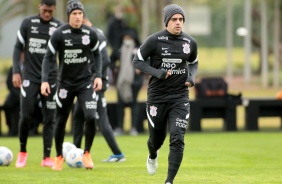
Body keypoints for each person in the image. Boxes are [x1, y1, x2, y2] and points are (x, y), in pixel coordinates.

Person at [132, 4, 198, 184]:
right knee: (156, 140)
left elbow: (193, 62)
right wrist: (157, 72)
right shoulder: (154, 40)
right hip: (157, 97)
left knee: (177, 137)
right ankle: (152, 154)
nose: (178, 23)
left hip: (180, 97)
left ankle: (169, 181)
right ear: (167, 21)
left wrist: (191, 78)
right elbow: (137, 61)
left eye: (181, 19)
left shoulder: (190, 42)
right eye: (174, 19)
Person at [41, 0, 102, 171]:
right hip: (65, 85)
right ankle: (59, 156)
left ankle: (87, 154)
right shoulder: (59, 34)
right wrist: (45, 80)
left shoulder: (90, 33)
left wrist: (98, 76)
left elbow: (97, 54)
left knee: (91, 117)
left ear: (83, 16)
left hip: (85, 83)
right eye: (74, 14)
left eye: (80, 14)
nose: (77, 17)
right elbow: (48, 57)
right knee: (60, 120)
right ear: (69, 16)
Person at [12, 0, 63, 168]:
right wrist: (15, 71)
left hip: (50, 78)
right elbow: (18, 47)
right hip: (30, 77)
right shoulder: (28, 23)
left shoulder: (59, 26)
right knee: (25, 115)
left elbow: (63, 54)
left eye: (50, 10)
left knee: (50, 118)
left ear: (54, 9)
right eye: (44, 10)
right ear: (39, 7)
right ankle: (22, 152)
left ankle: (47, 157)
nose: (47, 14)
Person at [72, 17, 126, 162]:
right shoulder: (94, 32)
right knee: (77, 115)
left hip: (95, 85)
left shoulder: (96, 34)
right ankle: (75, 152)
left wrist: (95, 77)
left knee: (101, 120)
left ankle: (118, 154)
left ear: (82, 20)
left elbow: (105, 59)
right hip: (85, 85)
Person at [110, 28, 144, 136]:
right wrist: (115, 68)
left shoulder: (139, 49)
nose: (127, 40)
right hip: (121, 81)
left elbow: (147, 61)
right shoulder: (119, 49)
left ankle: (133, 128)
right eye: (125, 38)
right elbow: (111, 60)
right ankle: (120, 127)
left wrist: (140, 69)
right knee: (120, 104)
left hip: (135, 81)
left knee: (134, 103)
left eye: (129, 38)